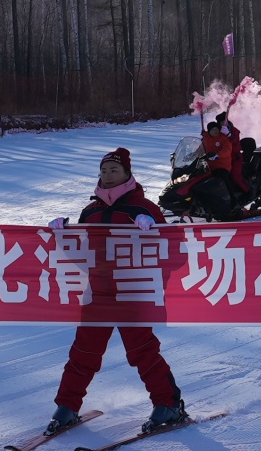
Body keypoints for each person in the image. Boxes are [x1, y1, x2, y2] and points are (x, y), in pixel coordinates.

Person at [46, 149, 190, 435]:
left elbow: (177, 254)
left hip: (133, 293)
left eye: (114, 170)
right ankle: (67, 406)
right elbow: (82, 258)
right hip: (97, 293)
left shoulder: (145, 209)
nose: (108, 176)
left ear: (127, 174)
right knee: (83, 352)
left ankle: (168, 404)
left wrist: (155, 235)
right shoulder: (91, 212)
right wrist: (63, 238)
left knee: (142, 351)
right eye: (104, 171)